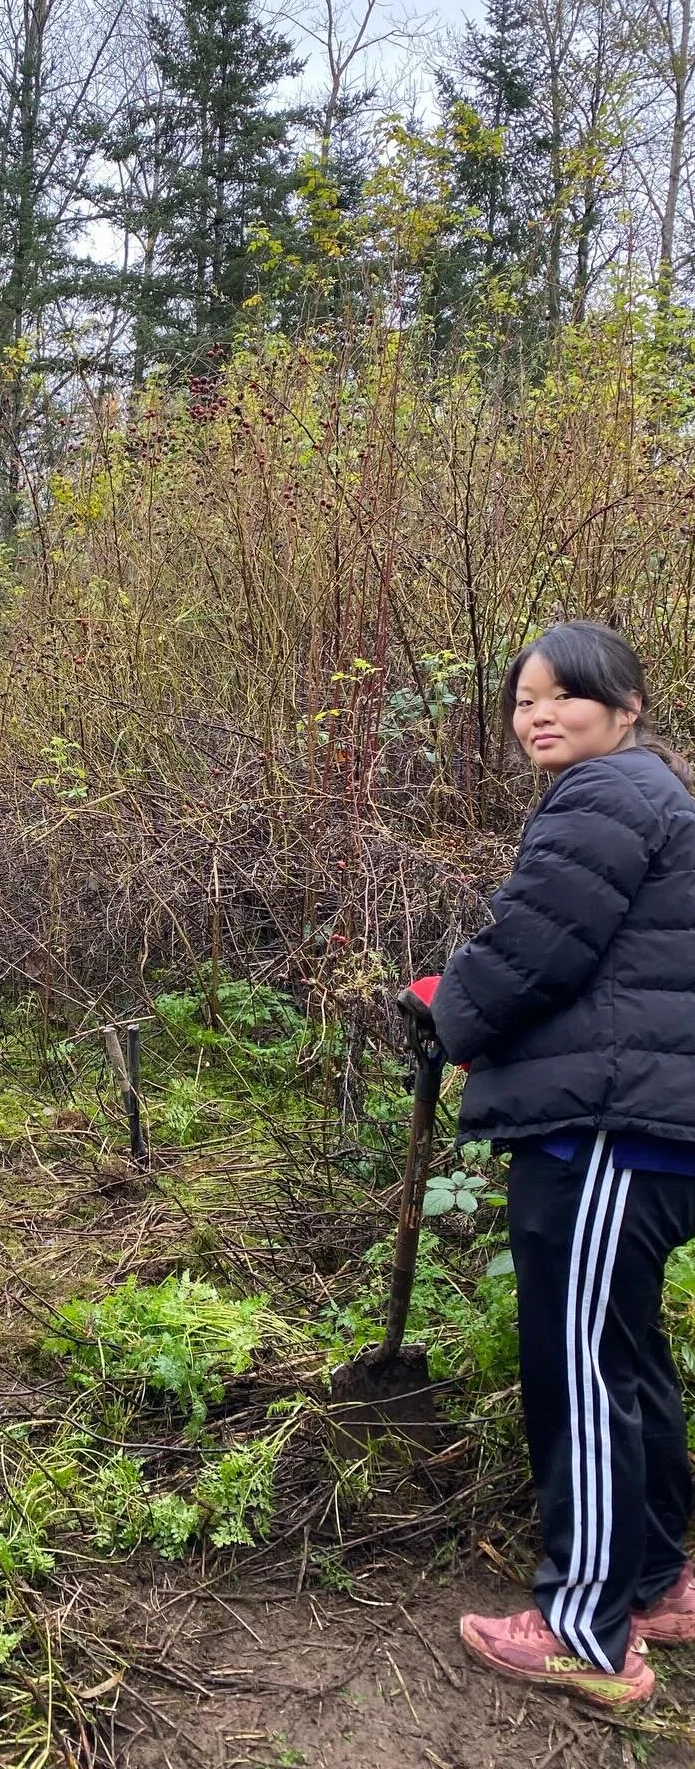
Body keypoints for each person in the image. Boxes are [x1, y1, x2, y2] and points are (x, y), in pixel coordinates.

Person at [406, 621, 695, 1710]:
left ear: (625, 706)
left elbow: (539, 947)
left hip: (606, 1129)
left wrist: (451, 1011)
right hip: (643, 1123)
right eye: (524, 700)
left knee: (582, 1373)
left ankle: (586, 1631)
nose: (538, 715)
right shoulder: (656, 794)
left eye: (563, 695)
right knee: (624, 1356)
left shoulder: (606, 794)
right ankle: (659, 1582)